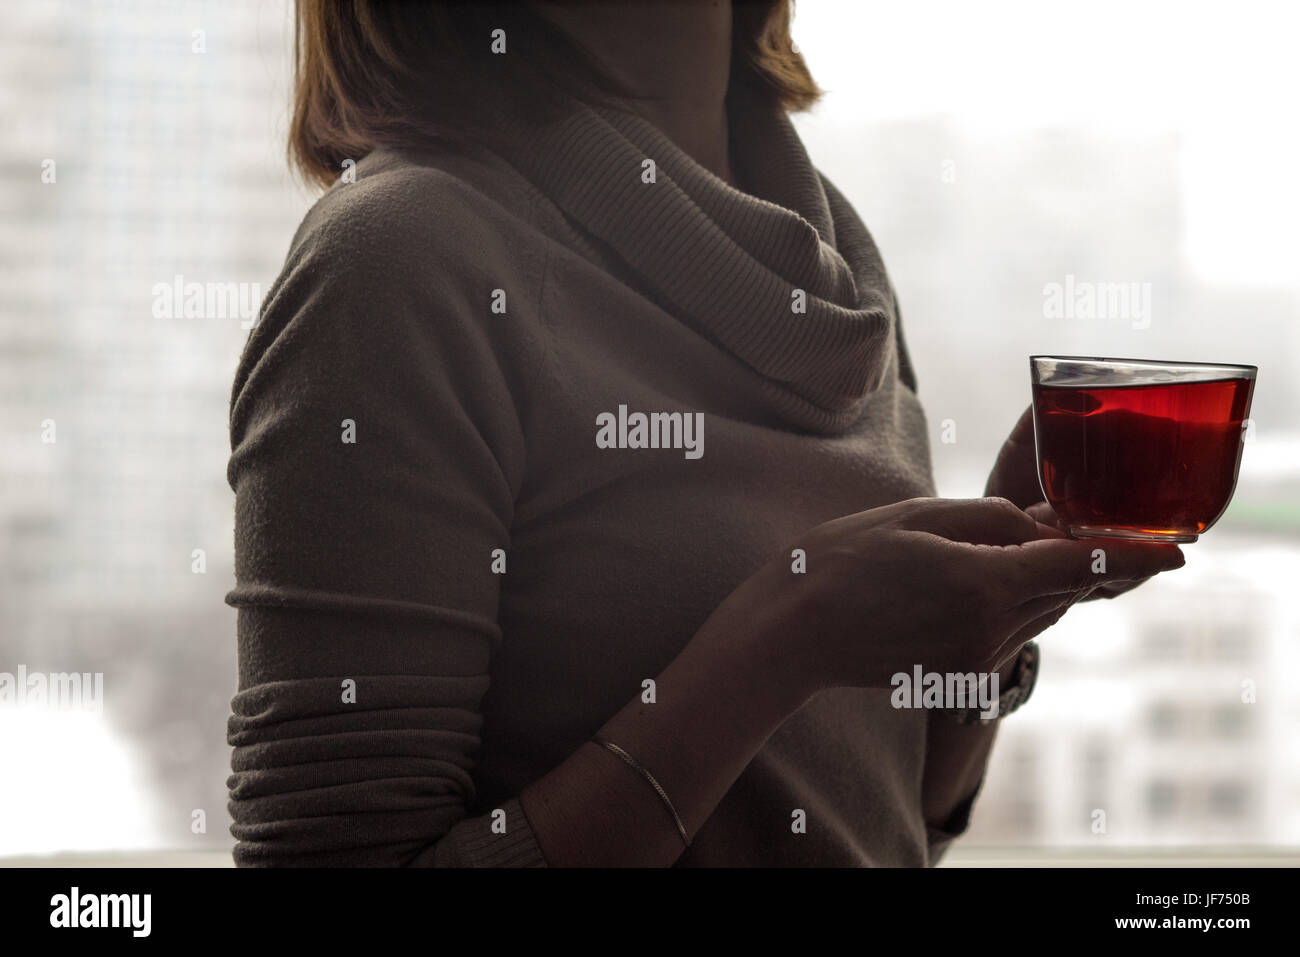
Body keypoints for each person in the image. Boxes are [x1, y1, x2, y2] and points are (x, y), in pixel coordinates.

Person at [224, 0, 1183, 867]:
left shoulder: (832, 261)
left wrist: (1004, 616)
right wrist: (779, 648)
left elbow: (882, 825)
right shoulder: (396, 264)